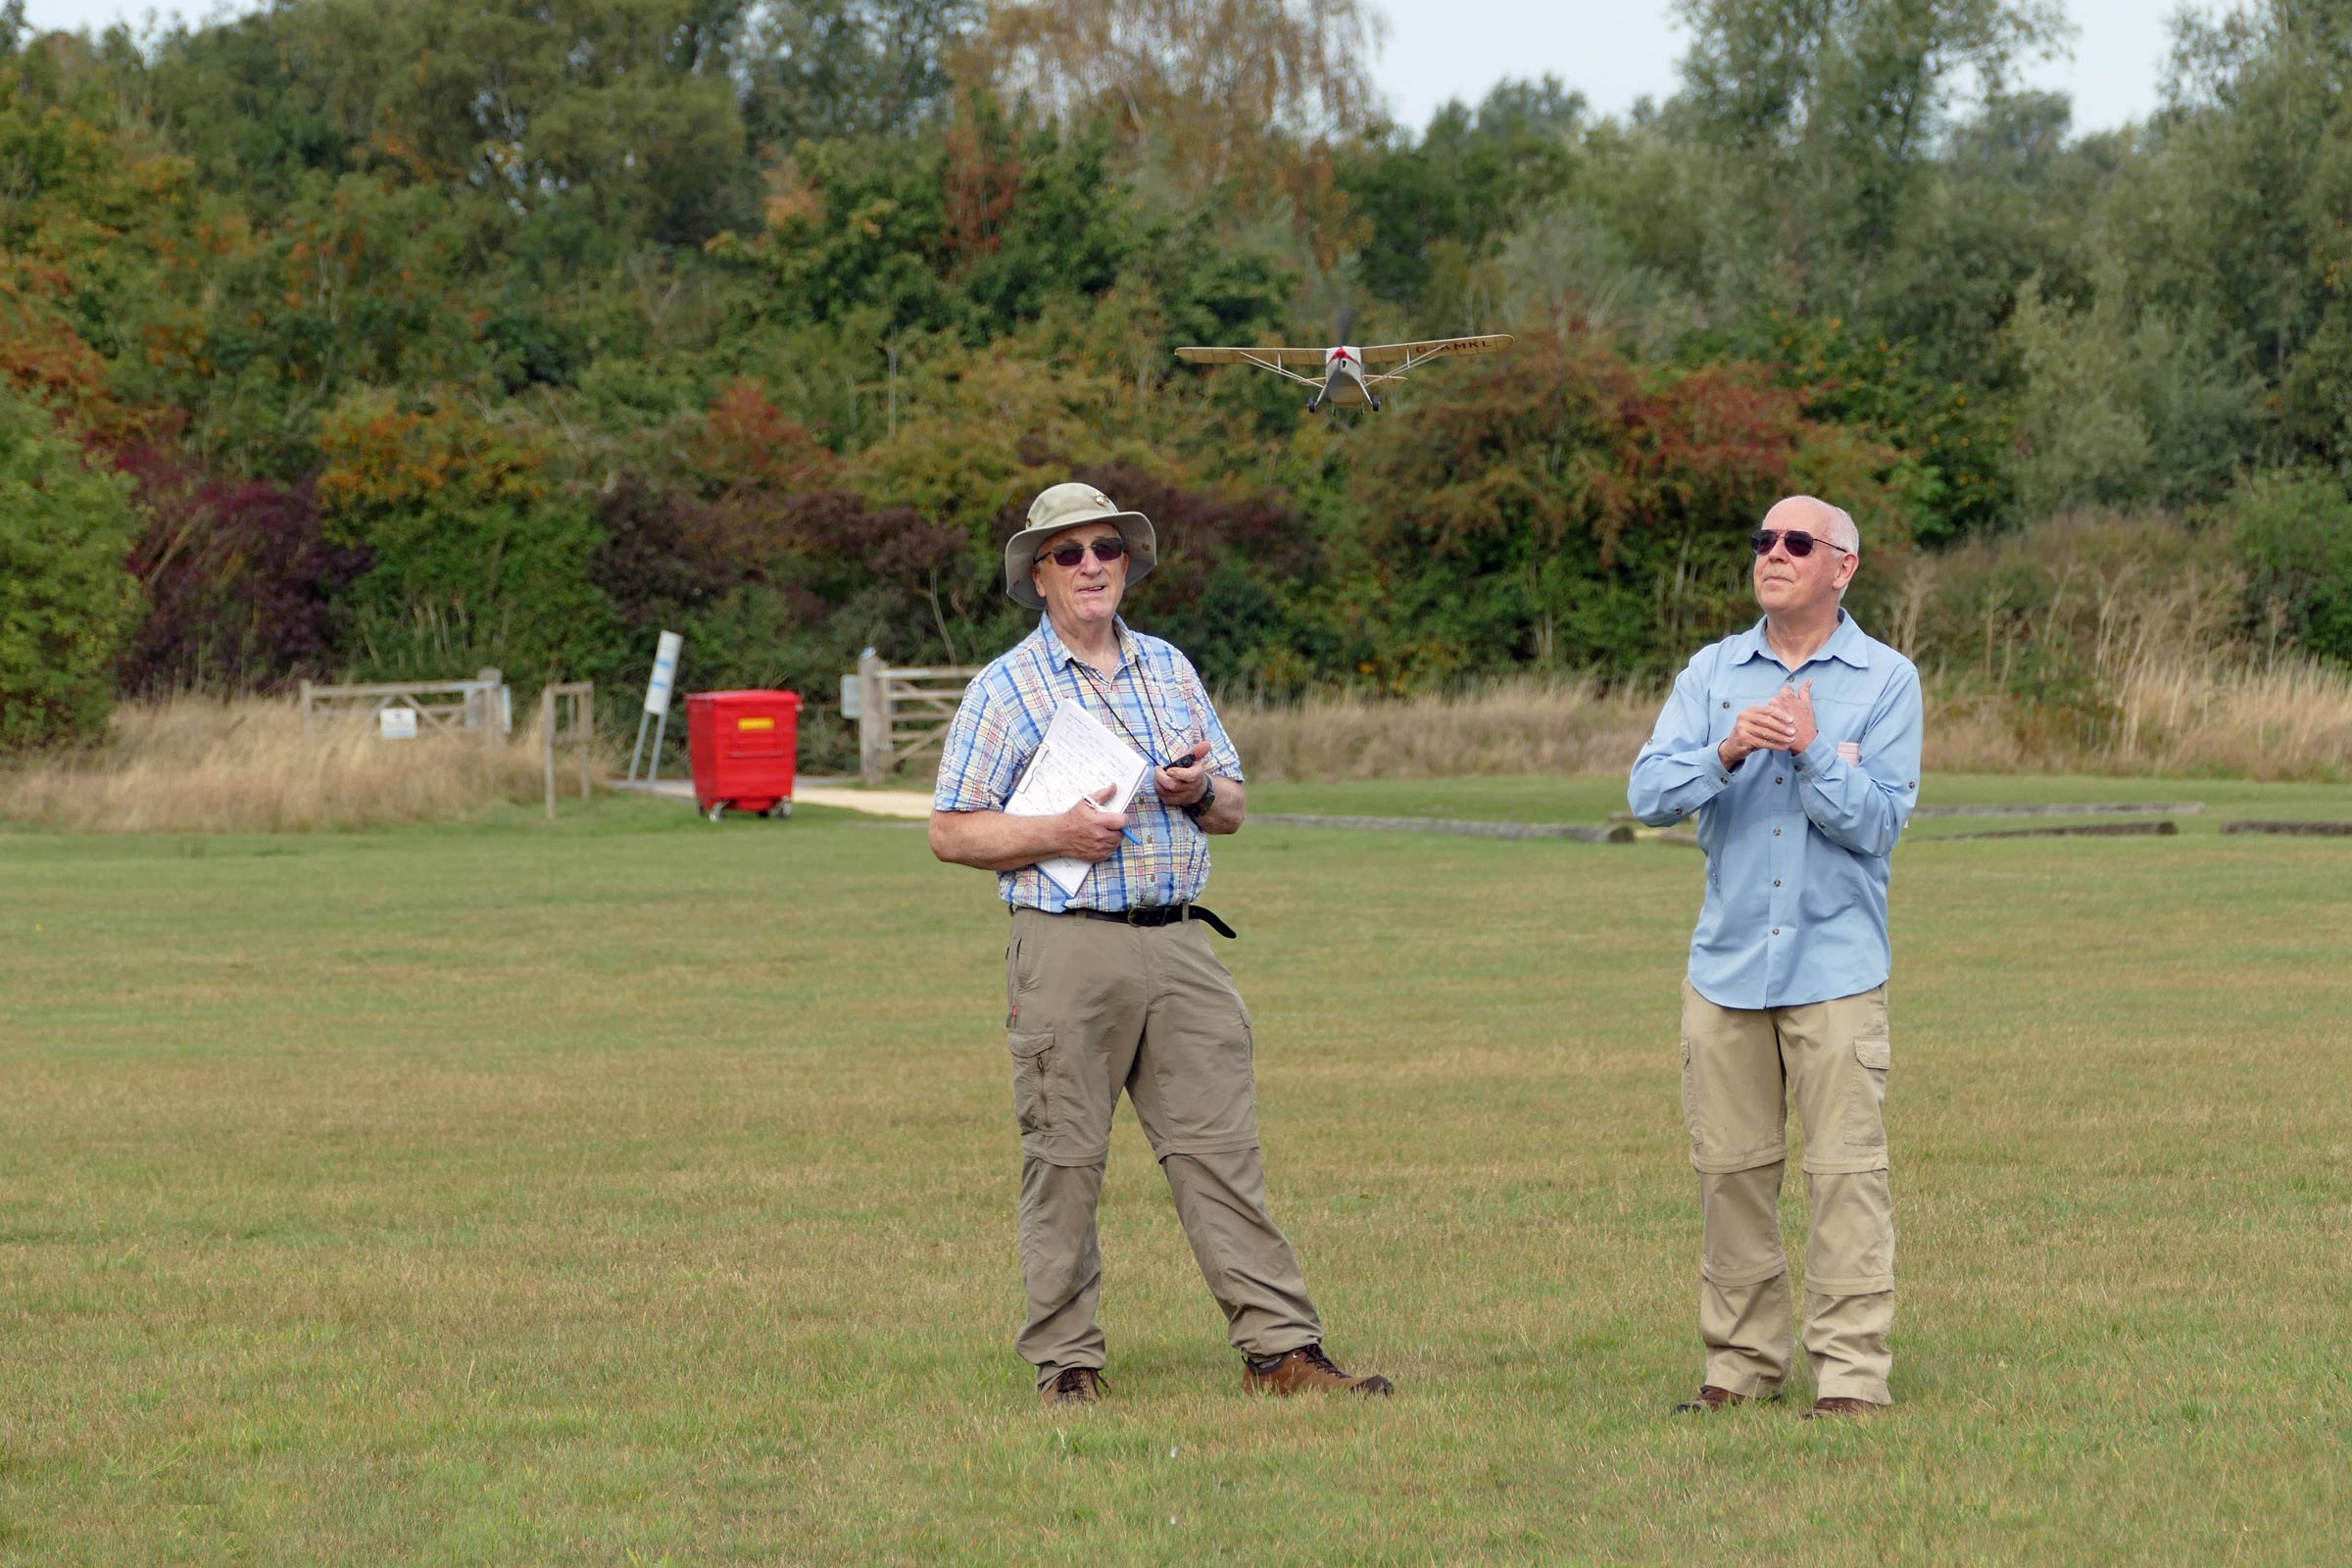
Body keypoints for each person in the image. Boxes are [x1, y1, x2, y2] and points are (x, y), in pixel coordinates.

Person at [930, 480, 1395, 1409]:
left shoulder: (1170, 669)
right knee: (1065, 1160)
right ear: (1039, 574)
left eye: (1108, 549)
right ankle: (1067, 1365)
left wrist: (1195, 792)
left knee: (1223, 1155)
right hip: (1067, 949)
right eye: (1070, 554)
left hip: (1182, 945)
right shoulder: (1006, 688)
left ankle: (1284, 1353)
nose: (1094, 566)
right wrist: (1055, 833)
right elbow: (951, 830)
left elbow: (1232, 806)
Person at [1627, 494, 1924, 1420]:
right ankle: (1742, 1369)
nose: (1775, 553)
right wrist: (1725, 748)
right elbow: (1645, 793)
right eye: (1764, 540)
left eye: (1799, 542)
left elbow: (1879, 824)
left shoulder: (1886, 679)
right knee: (1731, 1177)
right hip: (1725, 971)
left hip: (1836, 971)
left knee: (1845, 1179)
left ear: (1844, 567)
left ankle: (1851, 1381)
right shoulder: (1713, 672)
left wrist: (1809, 754)